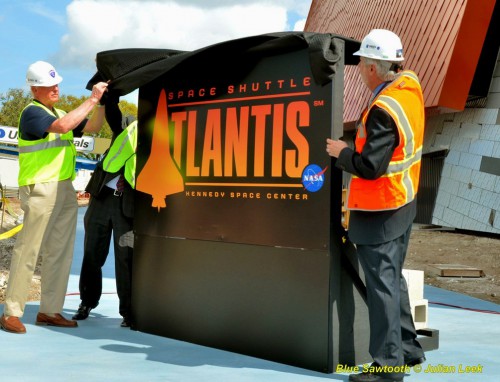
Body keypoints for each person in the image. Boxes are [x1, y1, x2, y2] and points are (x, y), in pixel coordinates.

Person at [326, 29, 425, 382]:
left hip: (381, 209)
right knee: (392, 280)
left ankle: (387, 368)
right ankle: (409, 350)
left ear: (373, 67)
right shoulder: (408, 91)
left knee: (382, 285)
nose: (360, 70)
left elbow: (371, 167)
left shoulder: (384, 109)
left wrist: (343, 154)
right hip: (403, 201)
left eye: (363, 64)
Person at [0, 61, 108, 334]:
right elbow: (61, 127)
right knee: (29, 249)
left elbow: (94, 126)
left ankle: (49, 311)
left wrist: (104, 103)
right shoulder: (32, 114)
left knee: (60, 251)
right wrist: (92, 97)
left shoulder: (59, 111)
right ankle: (12, 312)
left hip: (63, 188)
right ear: (35, 88)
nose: (55, 88)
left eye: (57, 83)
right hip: (40, 188)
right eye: (50, 85)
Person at [72, 95, 137, 328]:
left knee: (126, 259)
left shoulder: (156, 140)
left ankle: (129, 312)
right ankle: (86, 302)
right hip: (102, 200)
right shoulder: (127, 129)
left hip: (127, 207)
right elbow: (113, 114)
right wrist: (110, 94)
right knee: (91, 255)